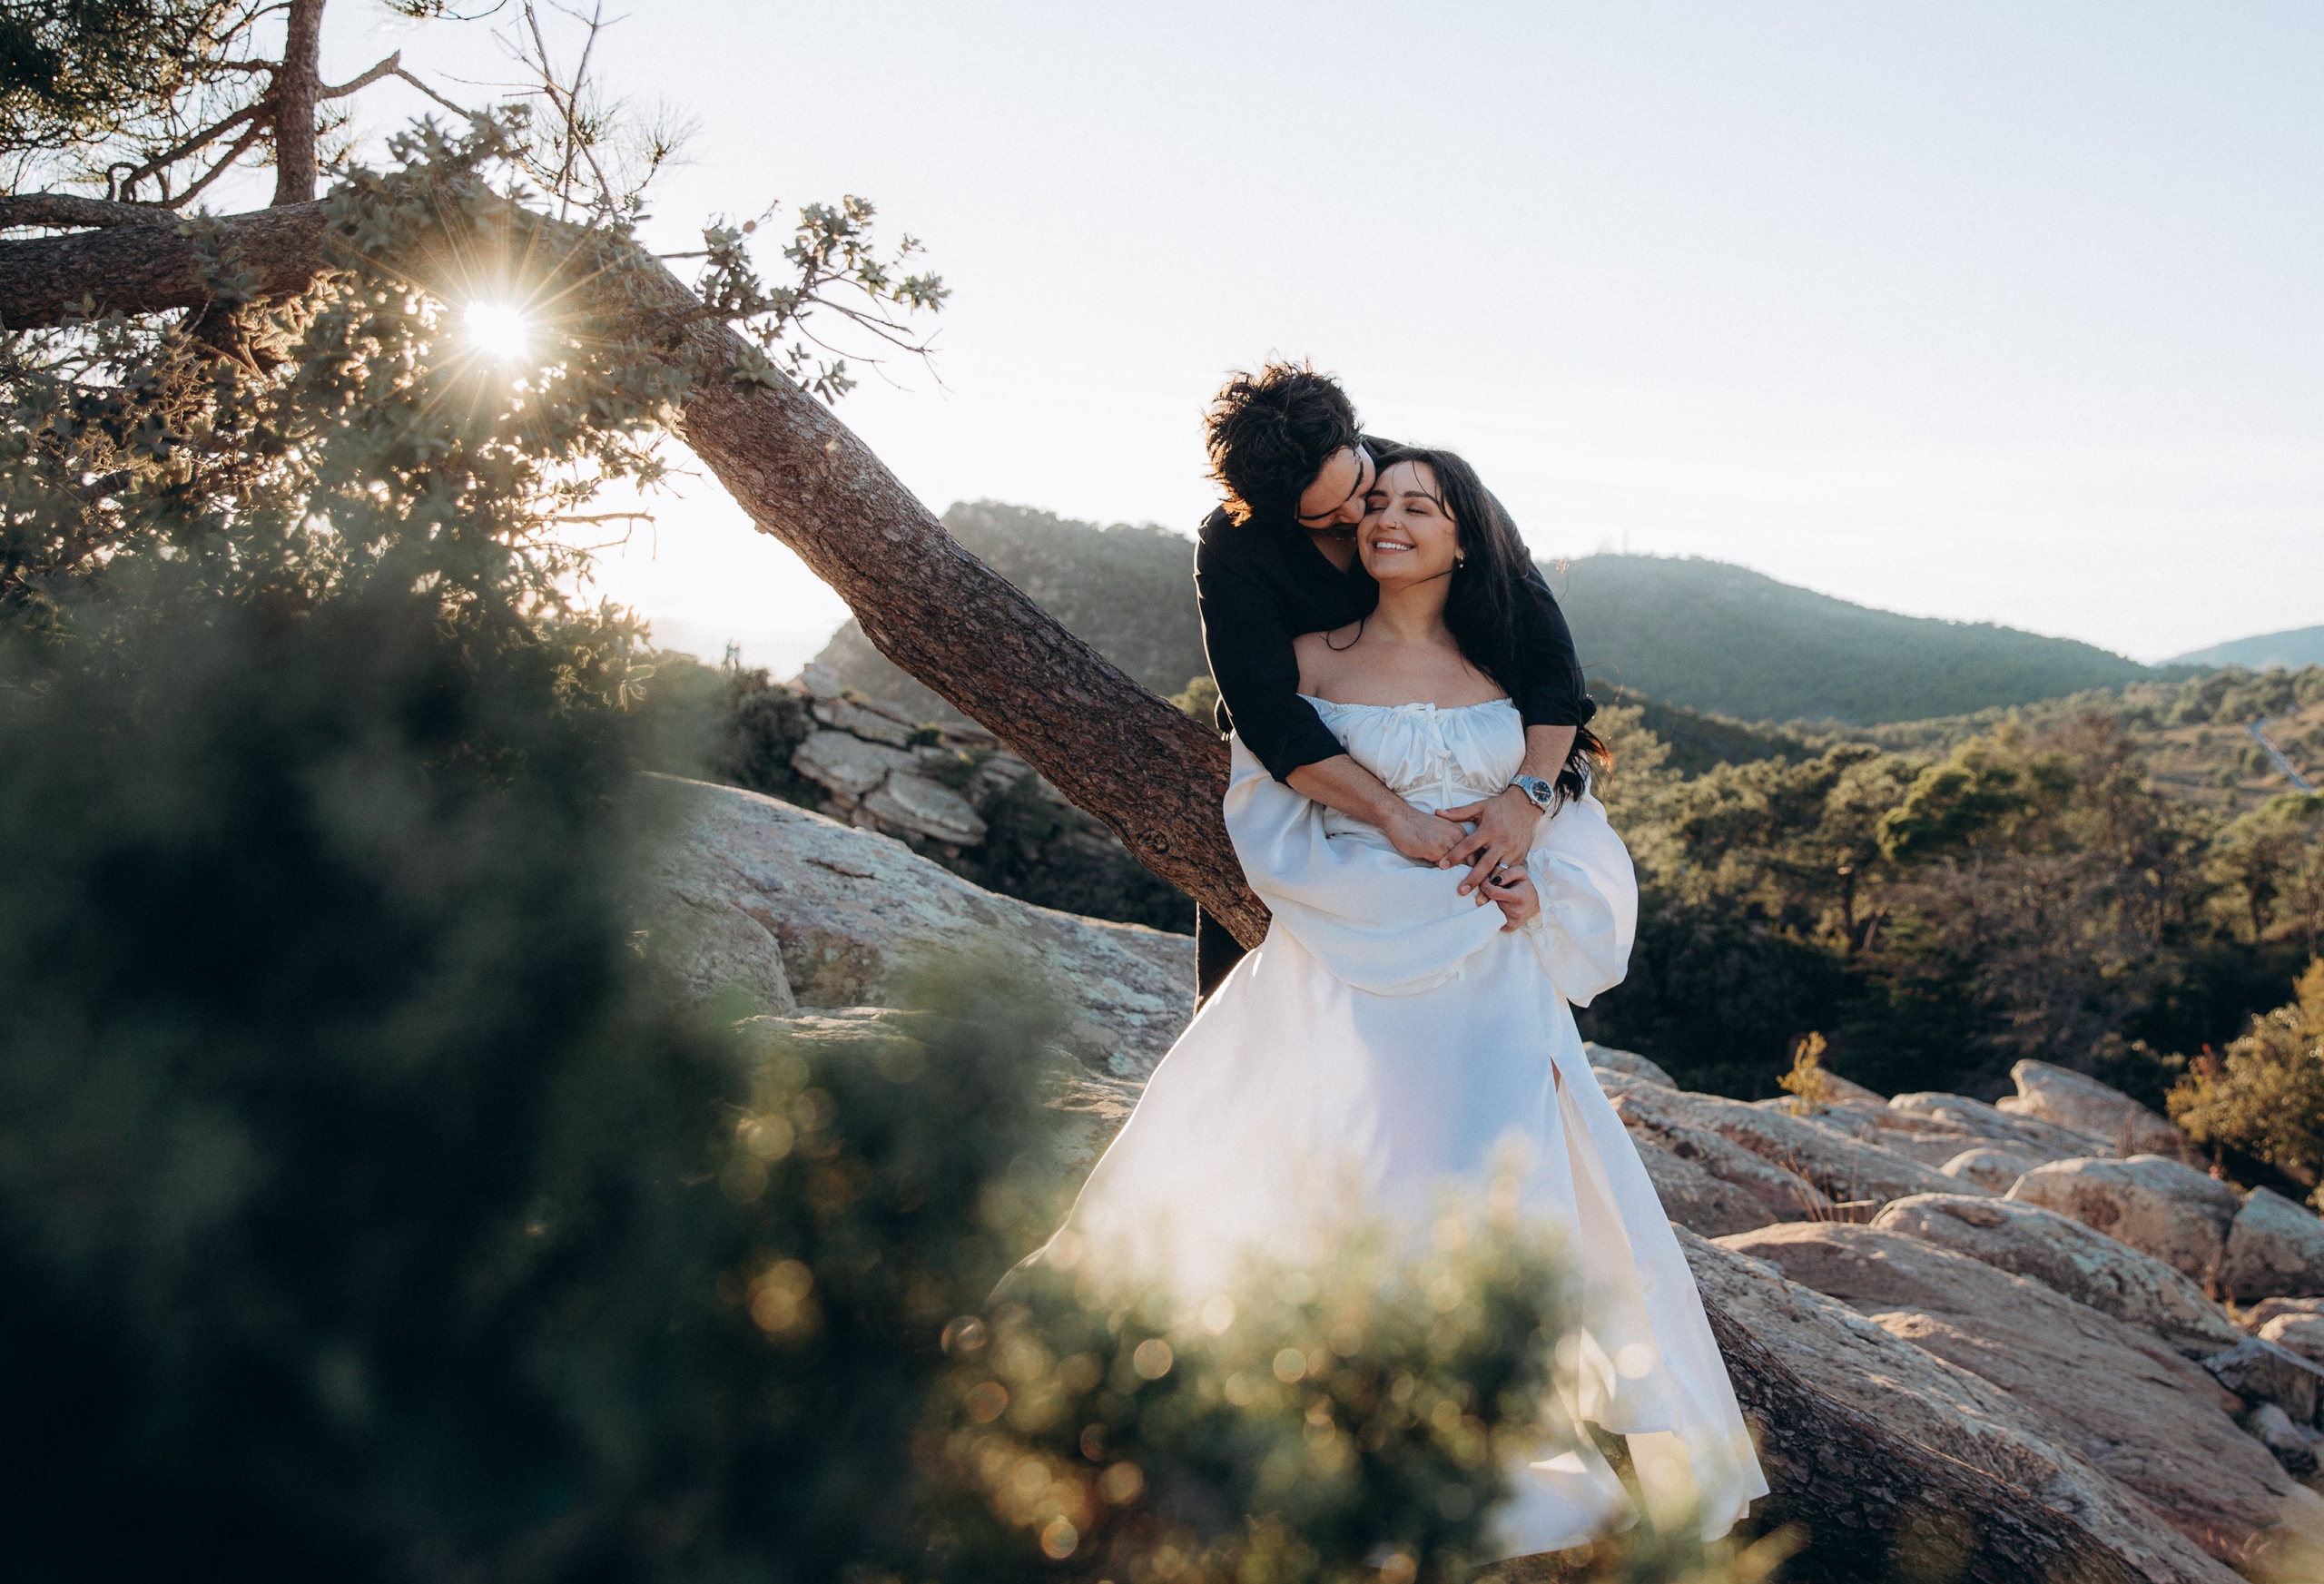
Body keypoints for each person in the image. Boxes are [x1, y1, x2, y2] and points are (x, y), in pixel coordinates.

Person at [1020, 446, 1767, 1557]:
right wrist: (1413, 884)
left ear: (1464, 538)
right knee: (1330, 1185)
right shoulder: (1306, 662)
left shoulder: (1510, 681)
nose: (1389, 518)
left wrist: (1522, 875)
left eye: (1420, 505)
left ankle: (1470, 1441)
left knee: (1482, 1194)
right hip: (1346, 969)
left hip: (1490, 991)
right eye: (1379, 503)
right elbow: (1270, 819)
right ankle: (1302, 1435)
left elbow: (1568, 829)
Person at [1191, 362, 1596, 1000]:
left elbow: (1553, 667)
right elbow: (1267, 715)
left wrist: (1528, 797)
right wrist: (1391, 814)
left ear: (1356, 436)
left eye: (1360, 486)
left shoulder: (1435, 489)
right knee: (1243, 981)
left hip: (1459, 747)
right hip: (1305, 764)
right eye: (1326, 516)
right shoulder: (1234, 547)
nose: (1361, 517)